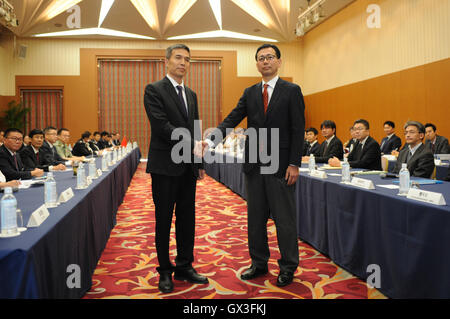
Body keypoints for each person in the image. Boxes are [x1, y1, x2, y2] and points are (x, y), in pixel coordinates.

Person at [205, 44, 305, 287]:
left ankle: (288, 266)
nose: (265, 62)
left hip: (280, 165)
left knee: (284, 219)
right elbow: (232, 118)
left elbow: (297, 129)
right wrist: (211, 139)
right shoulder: (250, 92)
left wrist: (294, 163)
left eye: (270, 57)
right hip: (253, 165)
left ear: (279, 61)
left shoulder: (291, 90)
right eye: (261, 58)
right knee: (255, 218)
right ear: (257, 64)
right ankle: (259, 263)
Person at [144, 44, 208, 293]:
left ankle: (184, 264)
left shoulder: (191, 94)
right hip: (164, 166)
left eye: (187, 59)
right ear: (167, 61)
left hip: (187, 168)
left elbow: (196, 128)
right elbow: (161, 126)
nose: (183, 62)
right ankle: (164, 270)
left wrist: (199, 162)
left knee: (186, 218)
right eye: (178, 58)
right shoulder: (154, 89)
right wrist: (192, 144)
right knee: (163, 219)